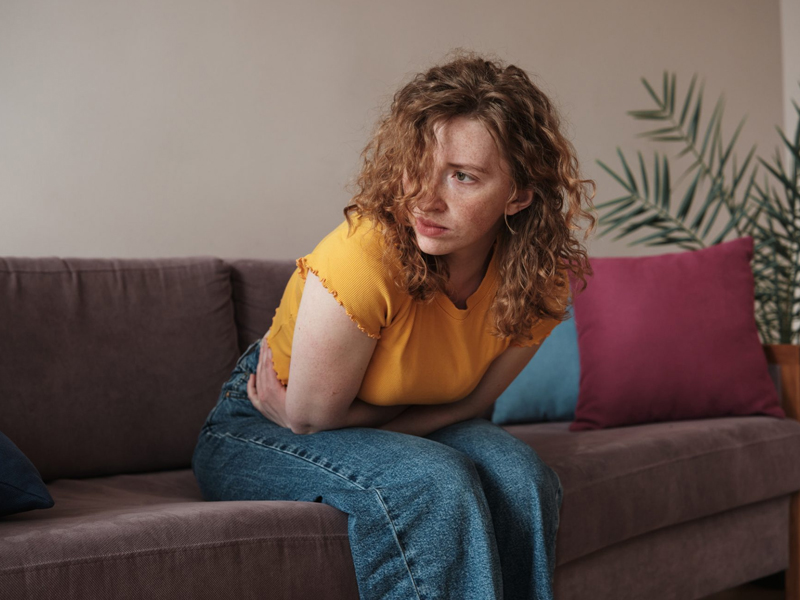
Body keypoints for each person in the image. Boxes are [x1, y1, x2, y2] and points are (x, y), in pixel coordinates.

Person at [192, 49, 596, 600]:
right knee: (432, 482)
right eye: (418, 166)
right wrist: (373, 422)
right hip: (261, 421)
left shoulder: (538, 282)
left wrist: (381, 420)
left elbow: (473, 403)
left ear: (519, 195)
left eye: (462, 176)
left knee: (521, 476)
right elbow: (308, 418)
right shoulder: (364, 254)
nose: (425, 199)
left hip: (363, 418)